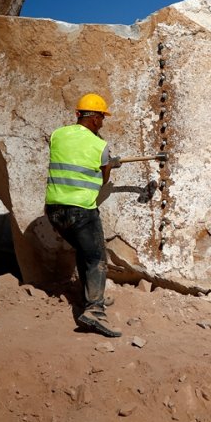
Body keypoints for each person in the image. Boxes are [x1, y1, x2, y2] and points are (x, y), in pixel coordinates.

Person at [44, 93, 123, 338]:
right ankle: (94, 311)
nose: (103, 123)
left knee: (84, 251)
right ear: (96, 118)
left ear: (78, 114)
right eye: (102, 118)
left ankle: (90, 296)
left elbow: (72, 156)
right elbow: (103, 179)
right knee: (96, 257)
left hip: (54, 211)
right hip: (80, 211)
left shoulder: (58, 135)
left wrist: (104, 162)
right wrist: (108, 165)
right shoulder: (100, 146)